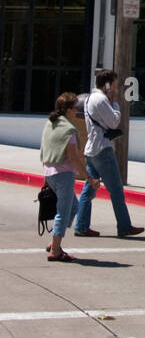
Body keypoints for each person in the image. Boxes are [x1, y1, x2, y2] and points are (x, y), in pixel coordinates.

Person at [73, 69, 145, 238]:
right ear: (106, 84)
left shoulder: (91, 98)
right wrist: (115, 104)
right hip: (102, 149)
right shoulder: (101, 100)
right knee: (116, 189)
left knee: (89, 189)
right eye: (113, 83)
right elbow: (113, 122)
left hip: (92, 149)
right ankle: (124, 226)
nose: (115, 87)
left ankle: (81, 225)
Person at [40, 92, 91, 261]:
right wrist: (88, 176)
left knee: (74, 207)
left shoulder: (50, 123)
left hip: (49, 172)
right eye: (75, 107)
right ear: (68, 110)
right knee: (63, 212)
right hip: (63, 174)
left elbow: (46, 149)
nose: (77, 111)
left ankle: (53, 240)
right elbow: (73, 158)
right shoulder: (69, 130)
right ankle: (55, 250)